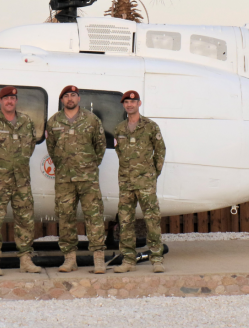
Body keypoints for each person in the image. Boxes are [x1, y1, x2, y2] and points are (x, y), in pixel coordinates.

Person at [0, 86, 41, 276]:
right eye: (6, 98)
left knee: (25, 220)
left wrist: (17, 163)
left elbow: (30, 147)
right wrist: (0, 166)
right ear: (0, 101)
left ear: (16, 101)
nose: (9, 101)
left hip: (22, 180)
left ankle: (25, 260)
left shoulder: (26, 121)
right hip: (0, 181)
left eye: (12, 98)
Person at [46, 85, 107, 274]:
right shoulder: (54, 121)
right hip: (64, 179)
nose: (70, 98)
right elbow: (52, 147)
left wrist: (88, 164)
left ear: (79, 98)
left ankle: (98, 259)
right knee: (65, 218)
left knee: (94, 217)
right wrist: (64, 165)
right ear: (62, 100)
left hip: (88, 178)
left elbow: (100, 146)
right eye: (66, 96)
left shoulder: (91, 120)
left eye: (73, 95)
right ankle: (69, 259)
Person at [113, 90, 166, 274]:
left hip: (145, 182)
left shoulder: (150, 126)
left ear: (139, 103)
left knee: (152, 220)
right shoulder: (120, 128)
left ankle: (157, 258)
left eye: (133, 101)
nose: (129, 104)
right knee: (126, 222)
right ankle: (128, 259)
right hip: (126, 183)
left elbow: (160, 150)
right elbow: (119, 152)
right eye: (126, 102)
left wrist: (153, 173)